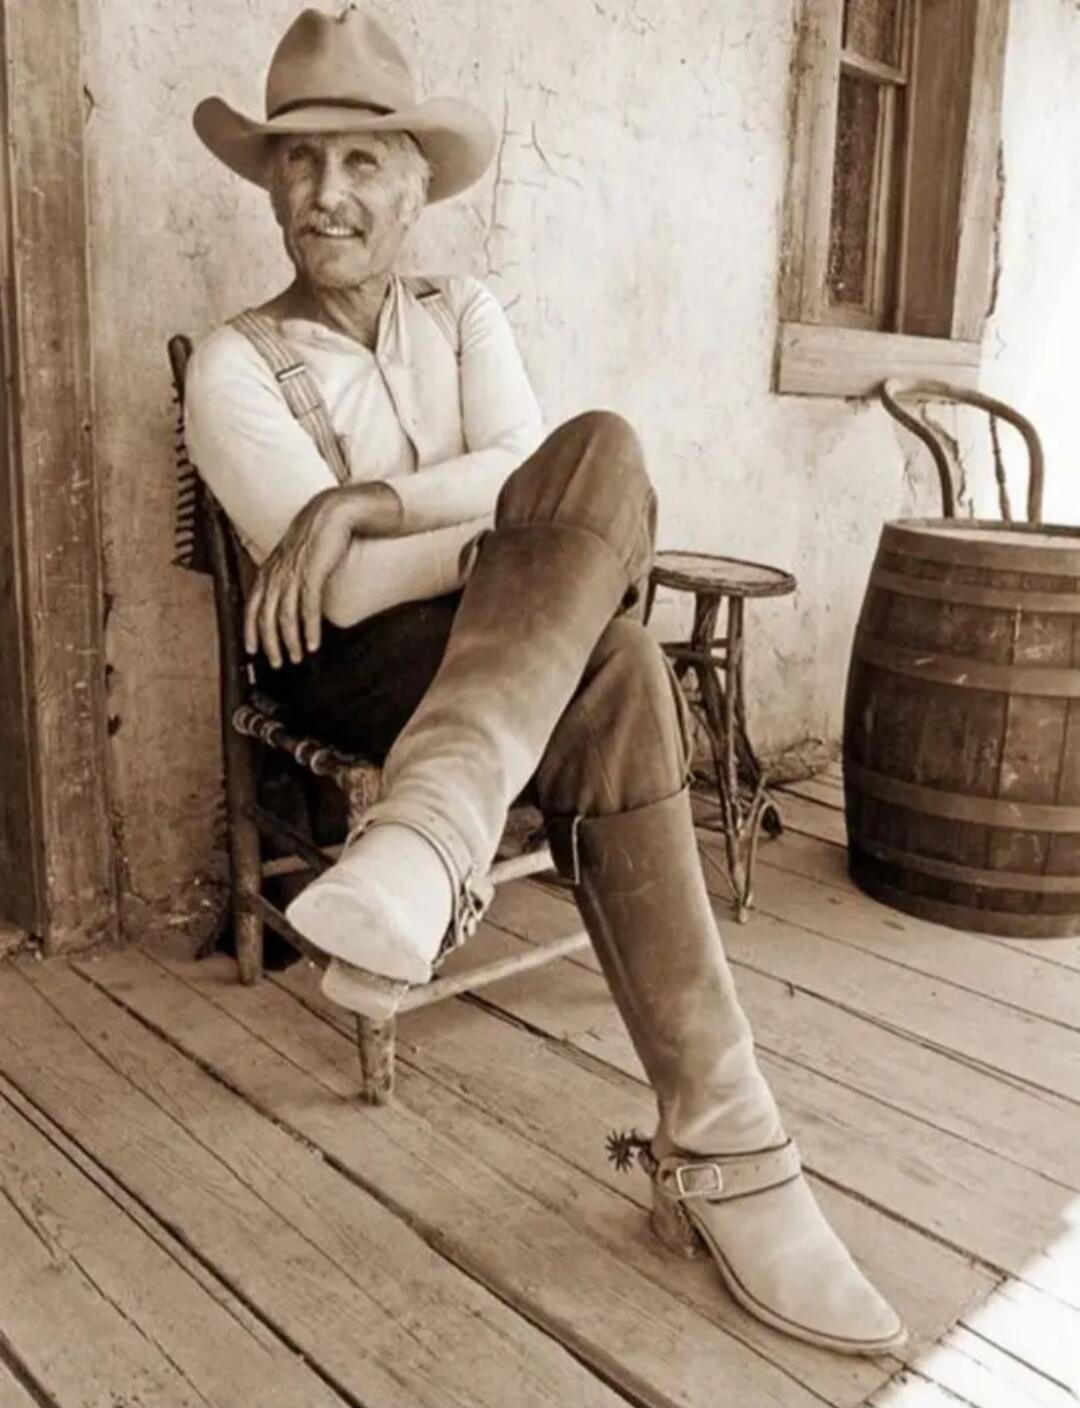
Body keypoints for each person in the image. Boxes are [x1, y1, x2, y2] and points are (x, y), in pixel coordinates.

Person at [185, 4, 907, 1358]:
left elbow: (539, 468)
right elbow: (341, 601)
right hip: (361, 673)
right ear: (270, 182)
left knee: (600, 451)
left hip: (499, 654)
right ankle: (728, 1135)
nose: (328, 195)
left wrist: (363, 504)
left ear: (415, 187)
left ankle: (430, 831)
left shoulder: (463, 313)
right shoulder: (235, 364)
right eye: (300, 162)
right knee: (612, 646)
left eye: (362, 163)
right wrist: (500, 538)